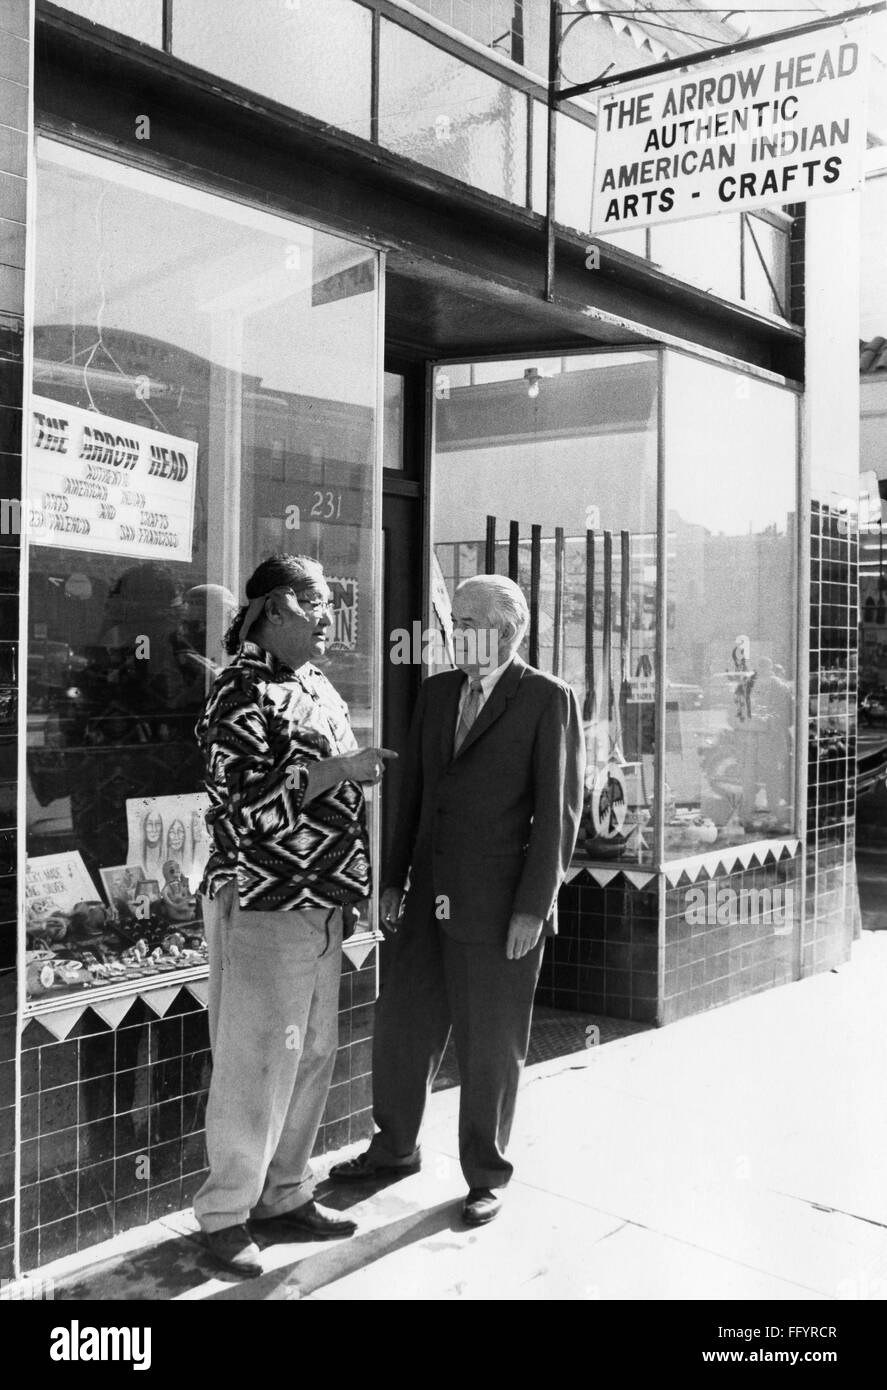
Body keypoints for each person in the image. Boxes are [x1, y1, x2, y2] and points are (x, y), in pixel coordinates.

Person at [331, 574, 585, 1226]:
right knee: (401, 1027)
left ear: (505, 632)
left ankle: (485, 1174)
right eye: (452, 622)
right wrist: (388, 881)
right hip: (424, 900)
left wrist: (533, 908)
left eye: (467, 622)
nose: (452, 634)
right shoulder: (437, 693)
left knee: (488, 1044)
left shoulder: (545, 700)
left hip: (500, 910)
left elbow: (558, 819)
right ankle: (392, 1149)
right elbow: (411, 793)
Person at [193, 554, 396, 1277]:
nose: (329, 624)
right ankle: (224, 1214)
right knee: (255, 1064)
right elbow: (244, 815)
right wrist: (339, 771)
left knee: (310, 1055)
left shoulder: (311, 685)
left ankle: (284, 1193)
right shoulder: (236, 696)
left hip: (319, 906)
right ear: (276, 609)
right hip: (264, 905)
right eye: (317, 607)